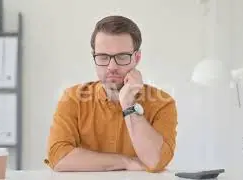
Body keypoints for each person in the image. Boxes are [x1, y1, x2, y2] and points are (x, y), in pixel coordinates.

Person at [44, 15, 178, 173]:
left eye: (122, 56)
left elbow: (156, 161)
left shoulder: (162, 103)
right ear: (94, 57)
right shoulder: (72, 98)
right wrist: (125, 162)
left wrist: (129, 105)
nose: (112, 66)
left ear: (137, 57)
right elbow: (58, 157)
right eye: (103, 57)